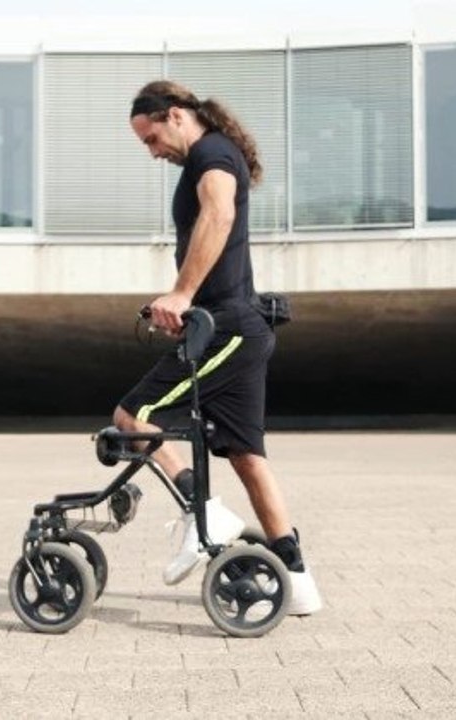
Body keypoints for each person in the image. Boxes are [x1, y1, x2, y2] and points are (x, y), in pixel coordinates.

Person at [115, 80, 321, 616]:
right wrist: (185, 309)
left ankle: (202, 509)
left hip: (230, 330)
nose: (152, 151)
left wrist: (182, 294)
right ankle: (296, 581)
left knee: (133, 417)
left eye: (151, 138)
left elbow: (219, 215)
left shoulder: (211, 155)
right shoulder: (211, 155)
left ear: (176, 116)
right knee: (248, 457)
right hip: (237, 327)